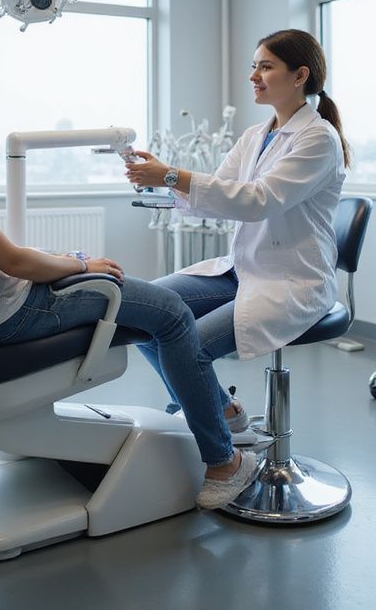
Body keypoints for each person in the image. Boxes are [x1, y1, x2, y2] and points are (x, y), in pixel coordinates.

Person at [0, 48, 256, 509]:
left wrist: (61, 258)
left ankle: (221, 413)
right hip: (18, 311)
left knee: (149, 312)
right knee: (171, 313)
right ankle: (222, 461)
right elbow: (14, 263)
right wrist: (82, 266)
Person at [124, 29, 349, 434]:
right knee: (140, 315)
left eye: (266, 66)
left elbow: (259, 200)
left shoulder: (318, 139)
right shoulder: (255, 137)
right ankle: (219, 409)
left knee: (187, 350)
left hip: (292, 280)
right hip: (243, 268)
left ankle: (220, 454)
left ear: (299, 76)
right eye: (254, 66)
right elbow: (219, 193)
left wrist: (172, 174)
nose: (254, 76)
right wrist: (162, 183)